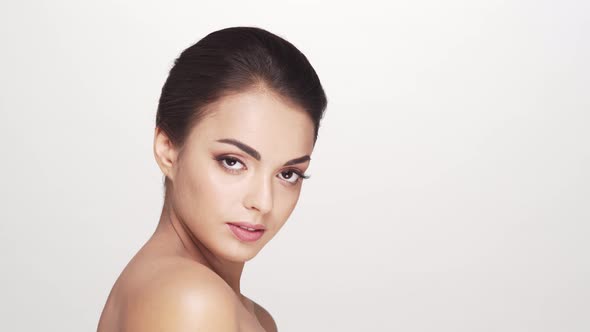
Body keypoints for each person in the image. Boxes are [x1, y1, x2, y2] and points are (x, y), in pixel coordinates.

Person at [97, 26, 327, 331]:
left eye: (288, 174)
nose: (263, 201)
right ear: (168, 150)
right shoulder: (191, 301)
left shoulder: (250, 315)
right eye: (232, 162)